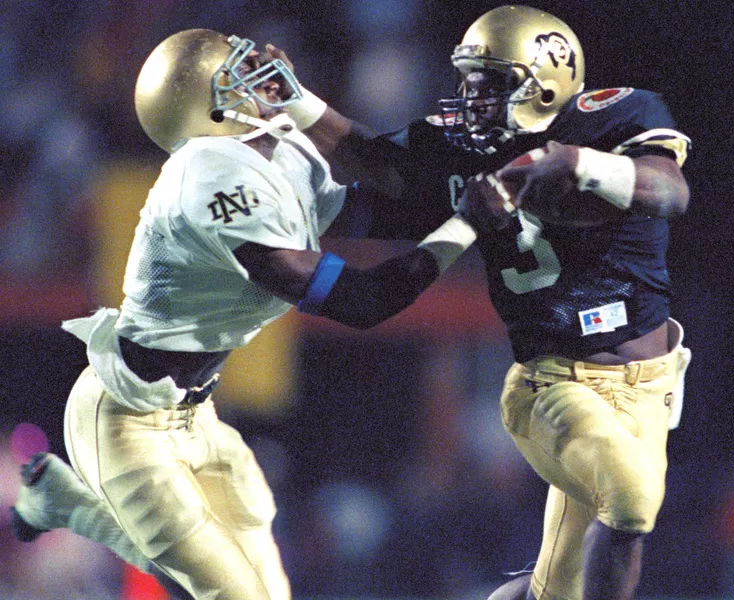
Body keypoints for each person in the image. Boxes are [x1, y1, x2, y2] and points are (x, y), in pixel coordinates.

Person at [11, 27, 499, 600]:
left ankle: (63, 500)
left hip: (195, 414)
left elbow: (375, 206)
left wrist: (468, 184)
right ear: (211, 109)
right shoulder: (211, 174)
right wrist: (466, 224)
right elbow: (362, 302)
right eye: (239, 73)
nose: (267, 76)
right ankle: (76, 508)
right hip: (124, 419)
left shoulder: (280, 148)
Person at [266, 5, 693, 600]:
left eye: (491, 83)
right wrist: (295, 103)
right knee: (632, 499)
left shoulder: (610, 120)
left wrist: (574, 163)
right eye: (468, 80)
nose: (471, 97)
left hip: (650, 386)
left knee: (555, 590)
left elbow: (669, 191)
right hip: (552, 384)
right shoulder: (461, 154)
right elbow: (373, 158)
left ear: (546, 81)